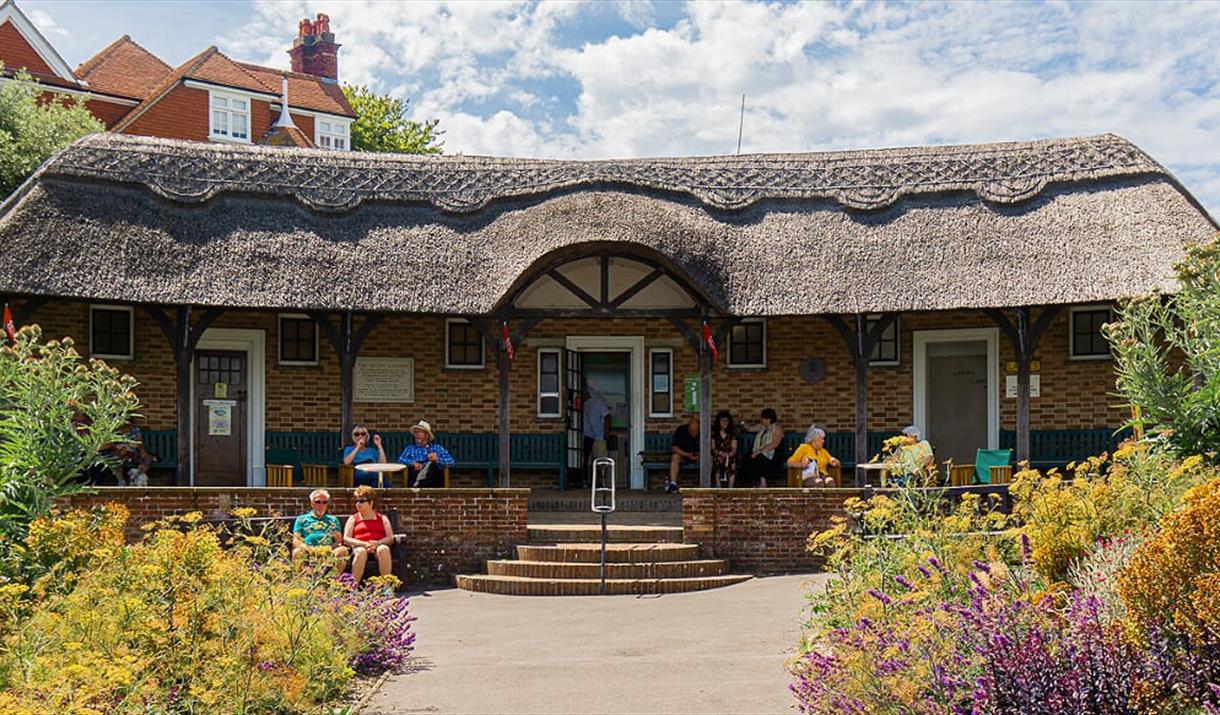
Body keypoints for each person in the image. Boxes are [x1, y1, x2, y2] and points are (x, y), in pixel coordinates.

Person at [343, 485, 395, 583]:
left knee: (384, 549)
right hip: (359, 547)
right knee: (361, 552)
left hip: (377, 546)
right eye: (356, 501)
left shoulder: (382, 518)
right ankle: (353, 586)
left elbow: (390, 537)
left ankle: (386, 585)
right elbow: (346, 538)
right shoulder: (353, 518)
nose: (358, 504)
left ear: (371, 503)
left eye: (362, 501)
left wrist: (377, 543)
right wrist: (364, 544)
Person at [292, 489, 348, 572]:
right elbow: (296, 540)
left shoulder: (332, 520)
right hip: (307, 552)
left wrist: (328, 549)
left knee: (343, 550)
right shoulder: (302, 519)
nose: (321, 505)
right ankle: (303, 580)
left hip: (328, 552)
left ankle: (333, 580)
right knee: (297, 552)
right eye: (318, 502)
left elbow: (338, 541)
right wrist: (308, 549)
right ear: (312, 503)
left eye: (324, 502)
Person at [397, 420, 455, 488]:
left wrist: (437, 459)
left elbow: (451, 461)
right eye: (416, 432)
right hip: (416, 472)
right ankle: (421, 481)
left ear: (427, 435)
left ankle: (421, 481)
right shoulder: (410, 449)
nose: (417, 434)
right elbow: (400, 460)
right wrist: (413, 463)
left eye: (420, 432)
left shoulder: (437, 448)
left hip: (434, 478)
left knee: (432, 466)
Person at [741, 408, 784, 488]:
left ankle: (763, 483)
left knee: (760, 458)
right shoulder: (762, 427)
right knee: (747, 459)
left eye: (763, 418)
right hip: (759, 451)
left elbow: (775, 444)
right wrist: (742, 421)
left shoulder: (777, 428)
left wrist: (759, 451)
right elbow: (749, 429)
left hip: (772, 454)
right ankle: (754, 481)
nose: (761, 420)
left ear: (768, 419)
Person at [578, 387, 612, 488]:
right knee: (586, 460)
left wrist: (606, 431)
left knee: (599, 460)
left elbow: (607, 416)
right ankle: (586, 481)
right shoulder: (583, 405)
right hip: (587, 435)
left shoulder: (597, 403)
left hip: (598, 435)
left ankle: (600, 481)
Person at [668, 414, 700, 493]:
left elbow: (709, 448)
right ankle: (673, 484)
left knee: (709, 458)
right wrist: (687, 455)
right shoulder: (681, 430)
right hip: (684, 455)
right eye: (692, 431)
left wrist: (699, 457)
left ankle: (705, 485)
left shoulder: (703, 431)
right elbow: (675, 448)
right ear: (689, 426)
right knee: (675, 457)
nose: (694, 433)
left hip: (698, 456)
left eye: (696, 431)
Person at [711, 410, 738, 488]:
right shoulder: (714, 433)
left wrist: (728, 454)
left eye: (726, 420)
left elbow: (734, 449)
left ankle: (731, 488)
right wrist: (720, 453)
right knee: (716, 461)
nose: (724, 422)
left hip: (729, 455)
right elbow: (712, 448)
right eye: (722, 420)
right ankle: (718, 486)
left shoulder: (733, 433)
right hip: (718, 454)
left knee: (732, 462)